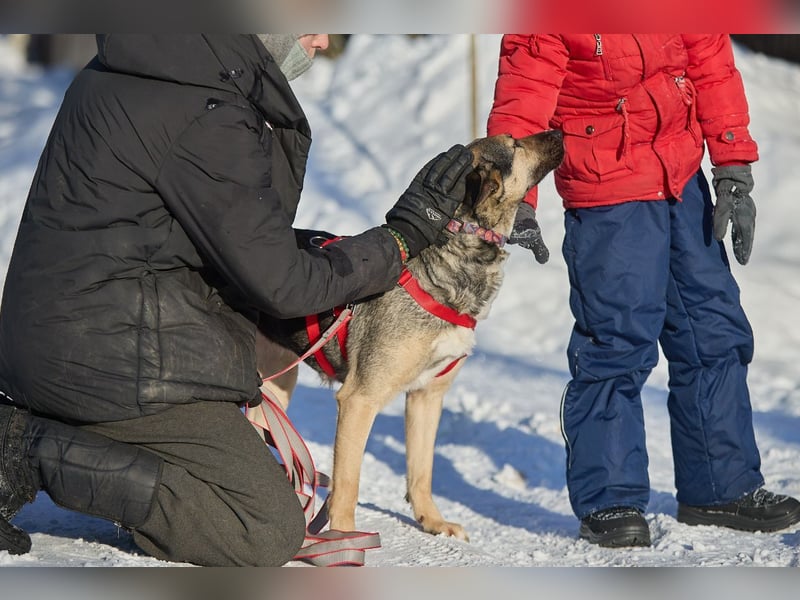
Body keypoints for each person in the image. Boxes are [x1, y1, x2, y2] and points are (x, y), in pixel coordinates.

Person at [0, 34, 473, 564]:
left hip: (64, 335)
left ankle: (72, 432)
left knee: (230, 487)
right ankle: (27, 447)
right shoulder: (204, 107)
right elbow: (282, 285)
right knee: (263, 526)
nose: (321, 39)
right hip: (112, 358)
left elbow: (211, 240)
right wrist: (401, 238)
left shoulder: (135, 64)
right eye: (315, 21)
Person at [488, 34, 800, 547]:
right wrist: (515, 194)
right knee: (616, 341)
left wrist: (732, 166)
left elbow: (711, 62)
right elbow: (527, 89)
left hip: (681, 177)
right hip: (607, 187)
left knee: (713, 329)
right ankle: (610, 497)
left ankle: (720, 485)